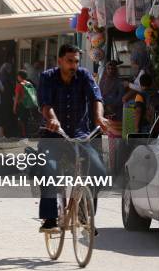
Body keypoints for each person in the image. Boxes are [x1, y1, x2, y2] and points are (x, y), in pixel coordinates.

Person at [37, 44, 109, 232]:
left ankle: (84, 213)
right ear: (59, 60)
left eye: (76, 61)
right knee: (49, 170)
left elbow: (96, 98)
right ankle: (50, 218)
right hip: (53, 135)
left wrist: (99, 118)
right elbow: (45, 103)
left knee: (99, 172)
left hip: (79, 136)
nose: (73, 65)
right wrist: (52, 119)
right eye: (69, 61)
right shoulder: (47, 77)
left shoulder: (84, 76)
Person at [13, 70, 39, 137]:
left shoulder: (19, 85)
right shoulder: (29, 84)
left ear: (19, 76)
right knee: (28, 120)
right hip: (30, 104)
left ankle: (23, 135)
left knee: (22, 120)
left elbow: (16, 97)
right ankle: (29, 133)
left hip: (22, 105)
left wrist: (14, 107)